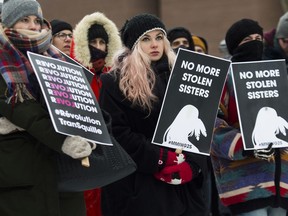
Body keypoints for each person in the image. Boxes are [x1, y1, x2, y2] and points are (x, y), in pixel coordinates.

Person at [99, 13, 208, 216]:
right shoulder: (114, 82)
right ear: (133, 45)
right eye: (146, 39)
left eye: (159, 37)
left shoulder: (183, 77)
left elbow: (202, 124)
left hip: (183, 189)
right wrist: (159, 157)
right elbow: (116, 133)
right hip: (139, 187)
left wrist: (193, 166)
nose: (155, 44)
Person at [0, 0, 95, 215]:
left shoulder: (55, 58)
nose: (34, 26)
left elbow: (81, 104)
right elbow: (25, 111)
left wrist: (89, 131)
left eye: (37, 20)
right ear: (8, 23)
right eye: (24, 19)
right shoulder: (3, 58)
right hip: (21, 177)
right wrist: (65, 140)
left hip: (63, 174)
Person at [210, 18, 288, 216]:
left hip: (282, 180)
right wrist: (245, 144)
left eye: (258, 38)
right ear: (235, 46)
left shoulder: (278, 75)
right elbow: (211, 126)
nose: (255, 43)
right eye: (247, 40)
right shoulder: (222, 78)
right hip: (244, 182)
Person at [71, 11, 122, 216]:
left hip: (113, 153)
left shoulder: (115, 78)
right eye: (93, 41)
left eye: (103, 42)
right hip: (82, 153)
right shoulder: (74, 74)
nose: (99, 47)